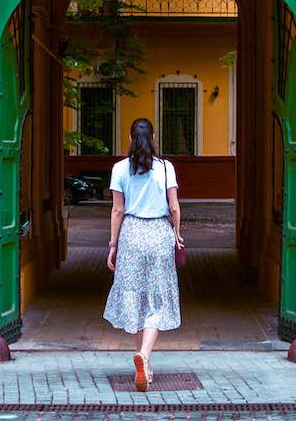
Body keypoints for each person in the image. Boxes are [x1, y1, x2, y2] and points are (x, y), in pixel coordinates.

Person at [103, 118, 184, 392]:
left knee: (136, 296)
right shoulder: (166, 168)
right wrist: (176, 233)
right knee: (157, 299)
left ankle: (143, 361)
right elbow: (174, 207)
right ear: (154, 136)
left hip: (132, 234)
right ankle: (145, 357)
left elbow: (117, 210)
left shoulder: (119, 169)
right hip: (159, 234)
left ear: (129, 137)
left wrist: (113, 244)